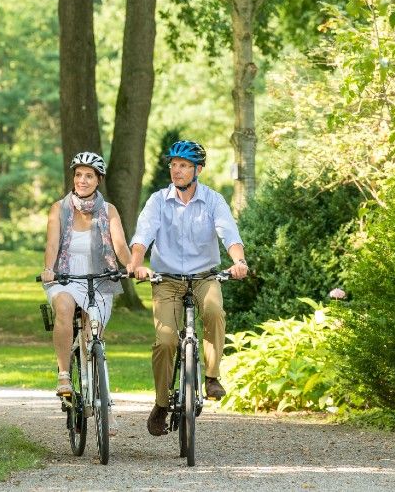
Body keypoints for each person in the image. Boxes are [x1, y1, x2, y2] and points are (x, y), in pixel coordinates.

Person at [126, 140, 248, 436]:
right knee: (166, 341)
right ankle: (161, 403)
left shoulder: (213, 200)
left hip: (205, 277)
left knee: (214, 310)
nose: (177, 171)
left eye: (184, 166)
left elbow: (228, 233)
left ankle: (211, 376)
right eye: (174, 165)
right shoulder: (158, 200)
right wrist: (136, 263)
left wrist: (239, 261)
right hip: (166, 280)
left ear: (198, 170)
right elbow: (143, 234)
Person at [41, 151, 132, 402]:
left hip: (100, 276)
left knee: (94, 340)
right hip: (66, 276)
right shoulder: (58, 209)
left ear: (98, 180)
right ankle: (63, 375)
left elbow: (120, 246)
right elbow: (52, 245)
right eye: (78, 175)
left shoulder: (109, 211)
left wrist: (134, 265)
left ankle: (103, 402)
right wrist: (49, 268)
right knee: (64, 307)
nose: (82, 180)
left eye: (89, 176)